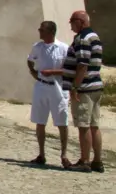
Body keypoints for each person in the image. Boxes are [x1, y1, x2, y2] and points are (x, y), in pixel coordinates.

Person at [64, 10, 104, 172]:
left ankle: (84, 160)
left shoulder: (82, 38)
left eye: (72, 22)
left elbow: (82, 65)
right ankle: (97, 161)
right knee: (94, 125)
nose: (71, 26)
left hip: (85, 88)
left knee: (84, 126)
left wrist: (75, 87)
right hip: (96, 86)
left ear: (80, 21)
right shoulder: (95, 36)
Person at [26, 20, 70, 167]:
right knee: (40, 121)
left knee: (61, 121)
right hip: (41, 86)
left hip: (58, 88)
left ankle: (64, 154)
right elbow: (30, 60)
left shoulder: (63, 48)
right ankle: (41, 154)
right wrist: (33, 72)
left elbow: (69, 69)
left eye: (42, 30)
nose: (39, 32)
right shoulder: (37, 47)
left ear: (51, 32)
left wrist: (53, 72)